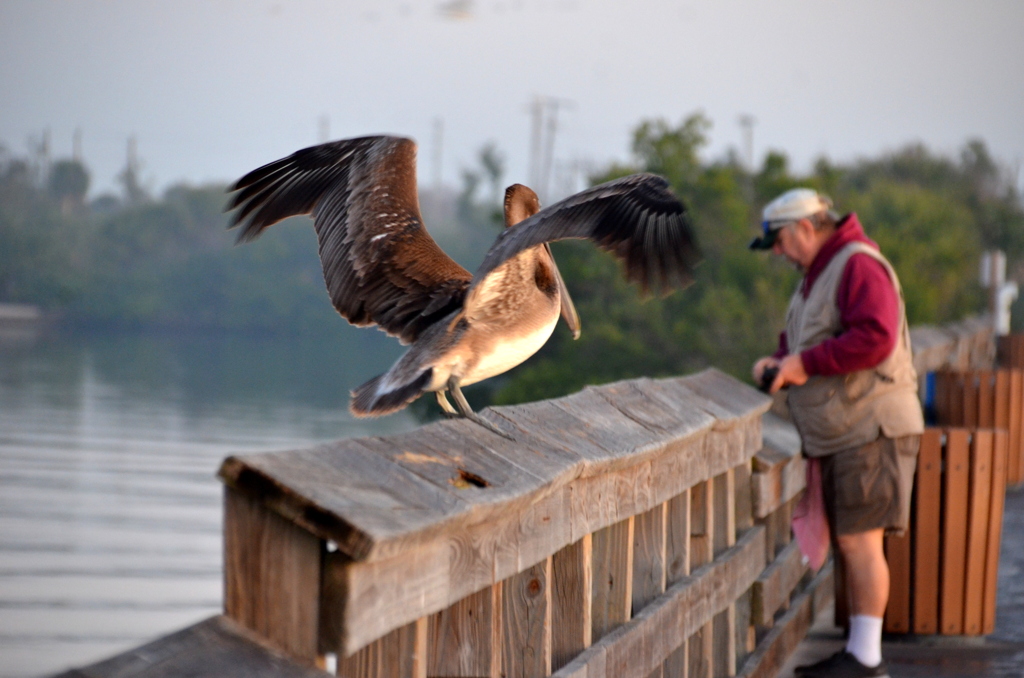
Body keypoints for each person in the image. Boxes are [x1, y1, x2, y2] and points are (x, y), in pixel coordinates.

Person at [750, 188, 923, 678]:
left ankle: (866, 661)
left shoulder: (856, 264)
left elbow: (876, 336)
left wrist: (804, 363)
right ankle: (858, 652)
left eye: (780, 242)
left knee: (861, 543)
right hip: (847, 429)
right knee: (853, 542)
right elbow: (812, 337)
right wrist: (782, 360)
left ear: (806, 226)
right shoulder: (820, 273)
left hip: (871, 426)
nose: (778, 254)